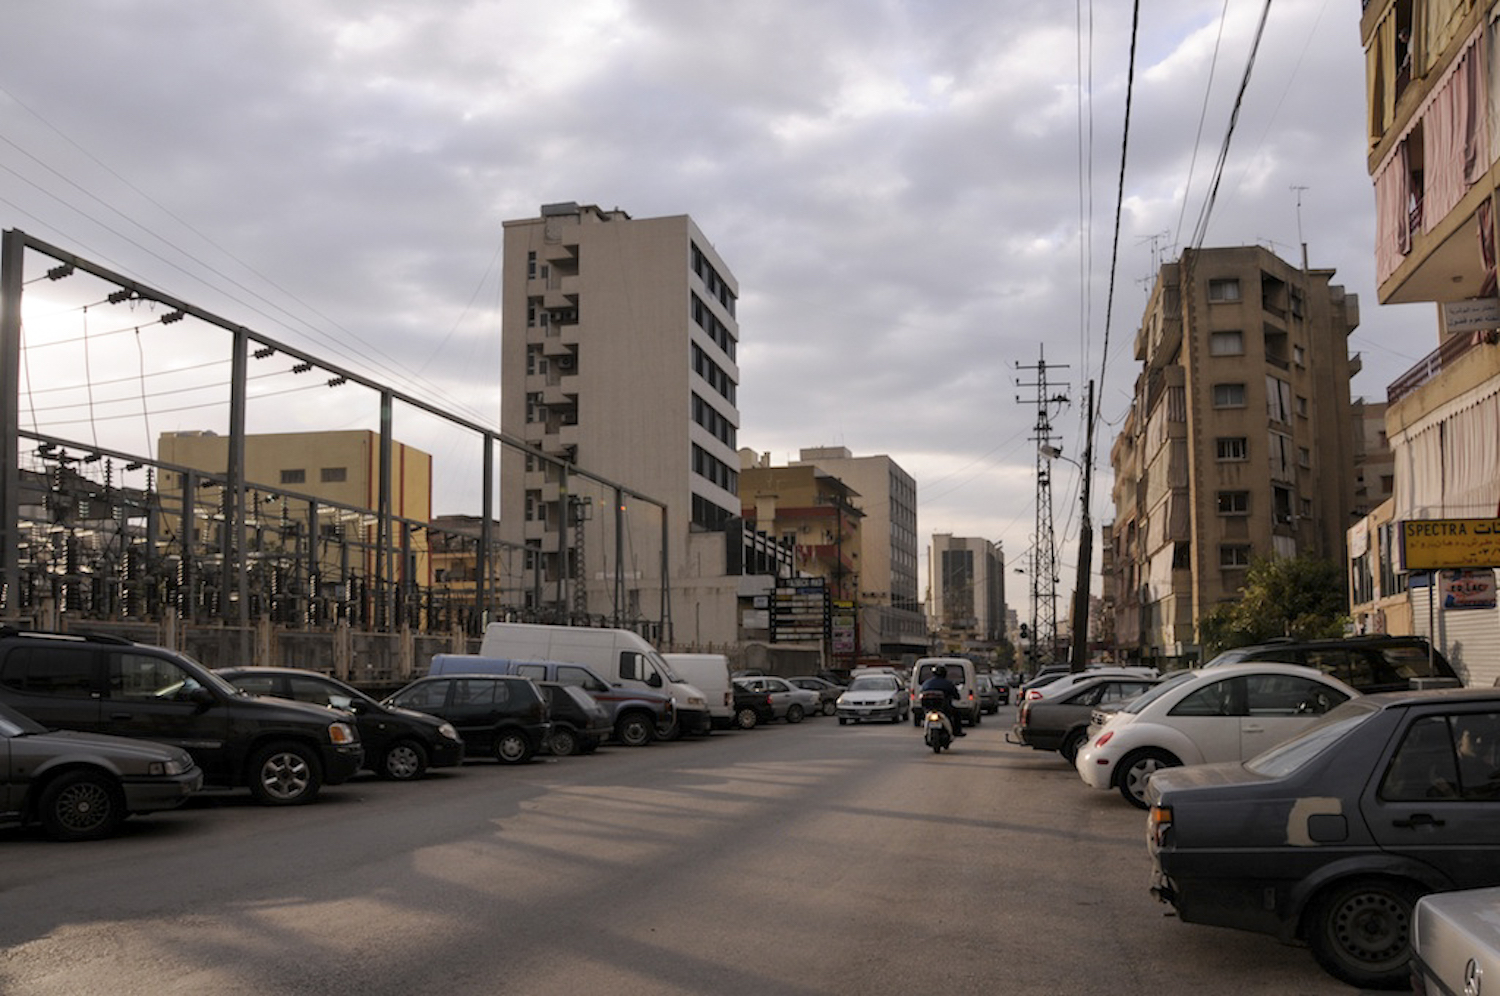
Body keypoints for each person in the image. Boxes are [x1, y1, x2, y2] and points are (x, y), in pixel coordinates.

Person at [919, 664, 965, 737]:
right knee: (957, 714)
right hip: (944, 709)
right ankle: (957, 731)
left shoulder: (926, 683)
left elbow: (921, 693)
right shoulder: (948, 683)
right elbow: (956, 695)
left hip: (929, 709)